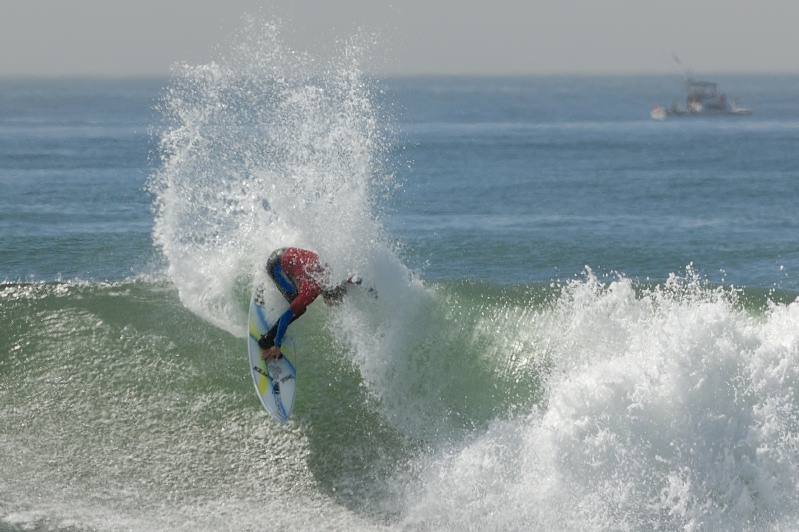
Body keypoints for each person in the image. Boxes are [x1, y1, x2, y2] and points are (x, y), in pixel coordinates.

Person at [258, 247, 347, 361]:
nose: (331, 306)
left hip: (285, 251)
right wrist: (278, 344)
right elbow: (287, 316)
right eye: (333, 303)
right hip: (276, 265)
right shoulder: (310, 292)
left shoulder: (330, 274)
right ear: (329, 296)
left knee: (297, 295)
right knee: (299, 310)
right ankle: (267, 339)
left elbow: (349, 280)